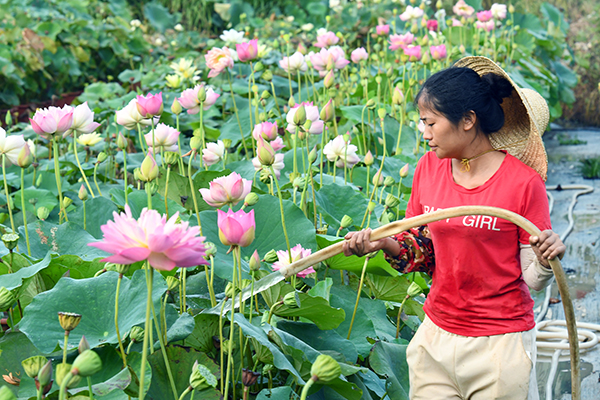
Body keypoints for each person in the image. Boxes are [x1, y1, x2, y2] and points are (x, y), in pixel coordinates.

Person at [342, 56, 566, 400]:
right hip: (436, 336)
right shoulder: (428, 169)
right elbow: (424, 248)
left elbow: (532, 280)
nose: (424, 133)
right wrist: (383, 244)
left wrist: (545, 259)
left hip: (499, 344)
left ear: (467, 120)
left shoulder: (523, 184)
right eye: (422, 122)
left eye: (431, 123)